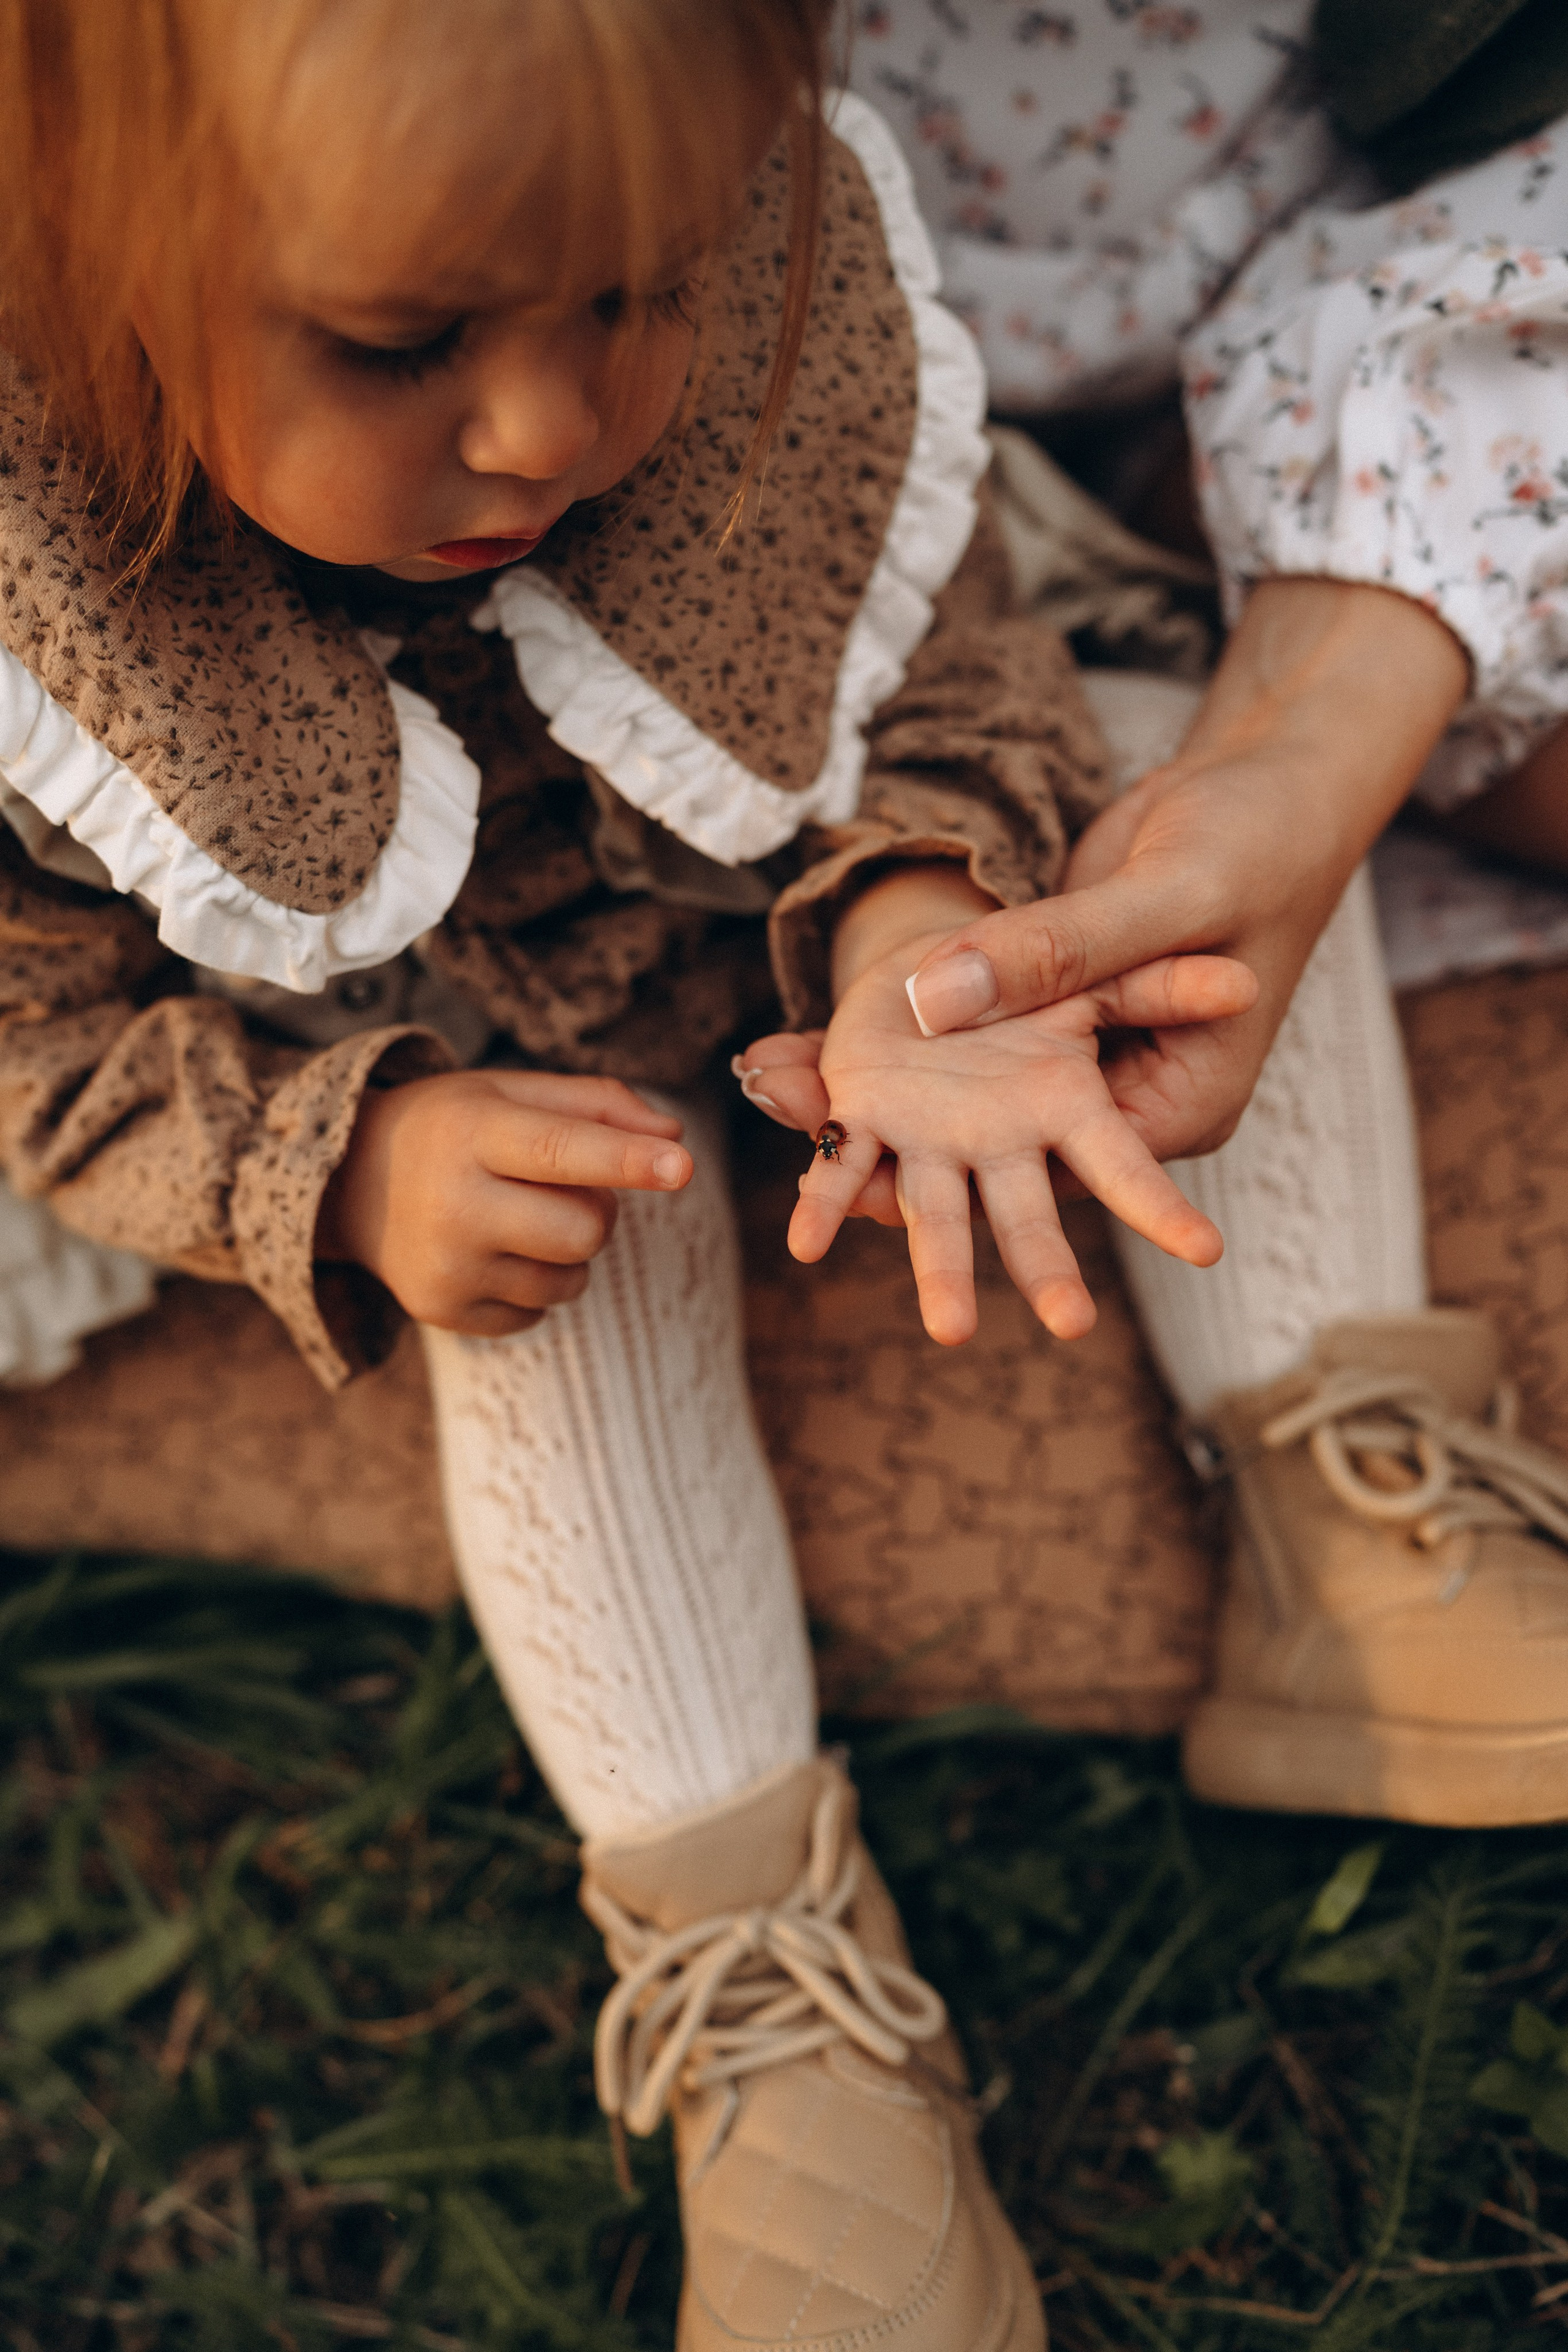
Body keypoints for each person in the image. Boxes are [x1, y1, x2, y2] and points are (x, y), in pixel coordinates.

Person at [0, 2, 1276, 2342]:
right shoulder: (47, 608)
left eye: (642, 291)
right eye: (403, 344)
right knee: (548, 1277)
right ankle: (775, 2007)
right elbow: (32, 1040)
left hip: (802, 953)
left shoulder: (771, 345)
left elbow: (950, 655)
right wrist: (352, 1161)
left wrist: (926, 919)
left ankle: (1348, 1487)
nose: (556, 428)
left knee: (1205, 830)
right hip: (448, 1057)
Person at [739, 0, 1568, 1828]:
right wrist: (910, 909)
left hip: (1329, 334)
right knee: (1104, 784)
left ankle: (1350, 1513)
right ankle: (1332, 1513)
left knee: (1168, 834)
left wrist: (1314, 725)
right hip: (765, 453)